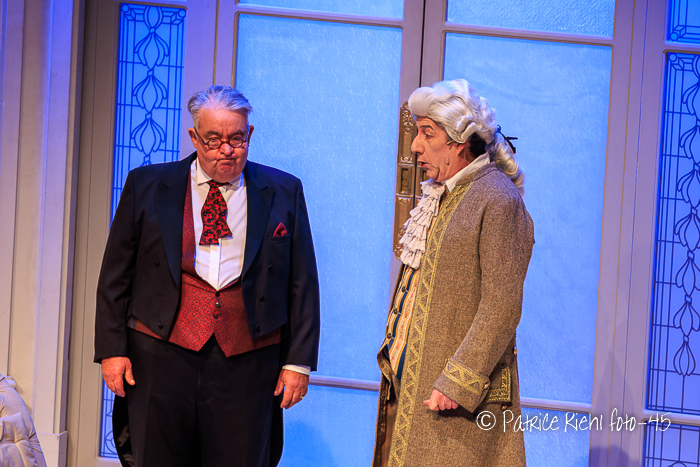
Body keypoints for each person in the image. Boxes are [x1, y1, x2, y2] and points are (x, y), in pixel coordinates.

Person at [94, 85, 320, 467]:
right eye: (214, 139)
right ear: (194, 137)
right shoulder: (147, 185)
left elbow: (303, 282)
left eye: (236, 138)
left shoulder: (283, 190)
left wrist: (298, 363)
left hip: (247, 361)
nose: (226, 149)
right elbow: (115, 276)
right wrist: (112, 350)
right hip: (160, 353)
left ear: (249, 134)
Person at [373, 79, 534, 467]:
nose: (415, 146)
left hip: (456, 399)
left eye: (427, 134)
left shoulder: (497, 198)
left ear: (459, 141)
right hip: (412, 383)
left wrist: (458, 380)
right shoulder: (443, 194)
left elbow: (502, 305)